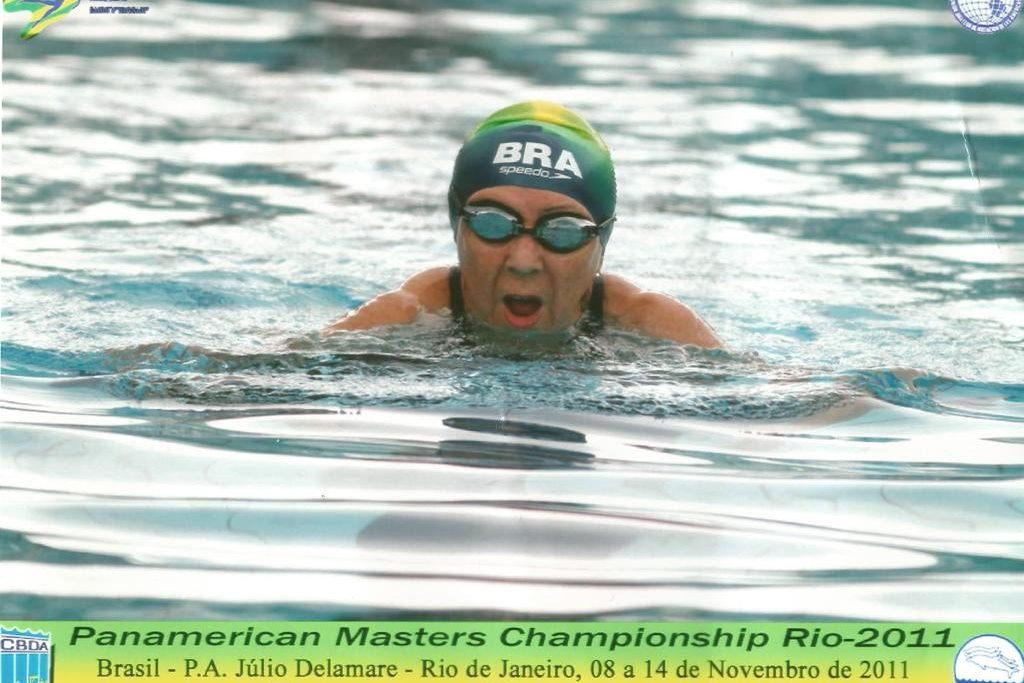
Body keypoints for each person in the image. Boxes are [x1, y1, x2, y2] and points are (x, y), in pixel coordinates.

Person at [324, 101, 723, 348]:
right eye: (494, 224)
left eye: (562, 231)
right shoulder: (410, 314)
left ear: (602, 239)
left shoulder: (648, 322)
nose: (523, 261)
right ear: (456, 224)